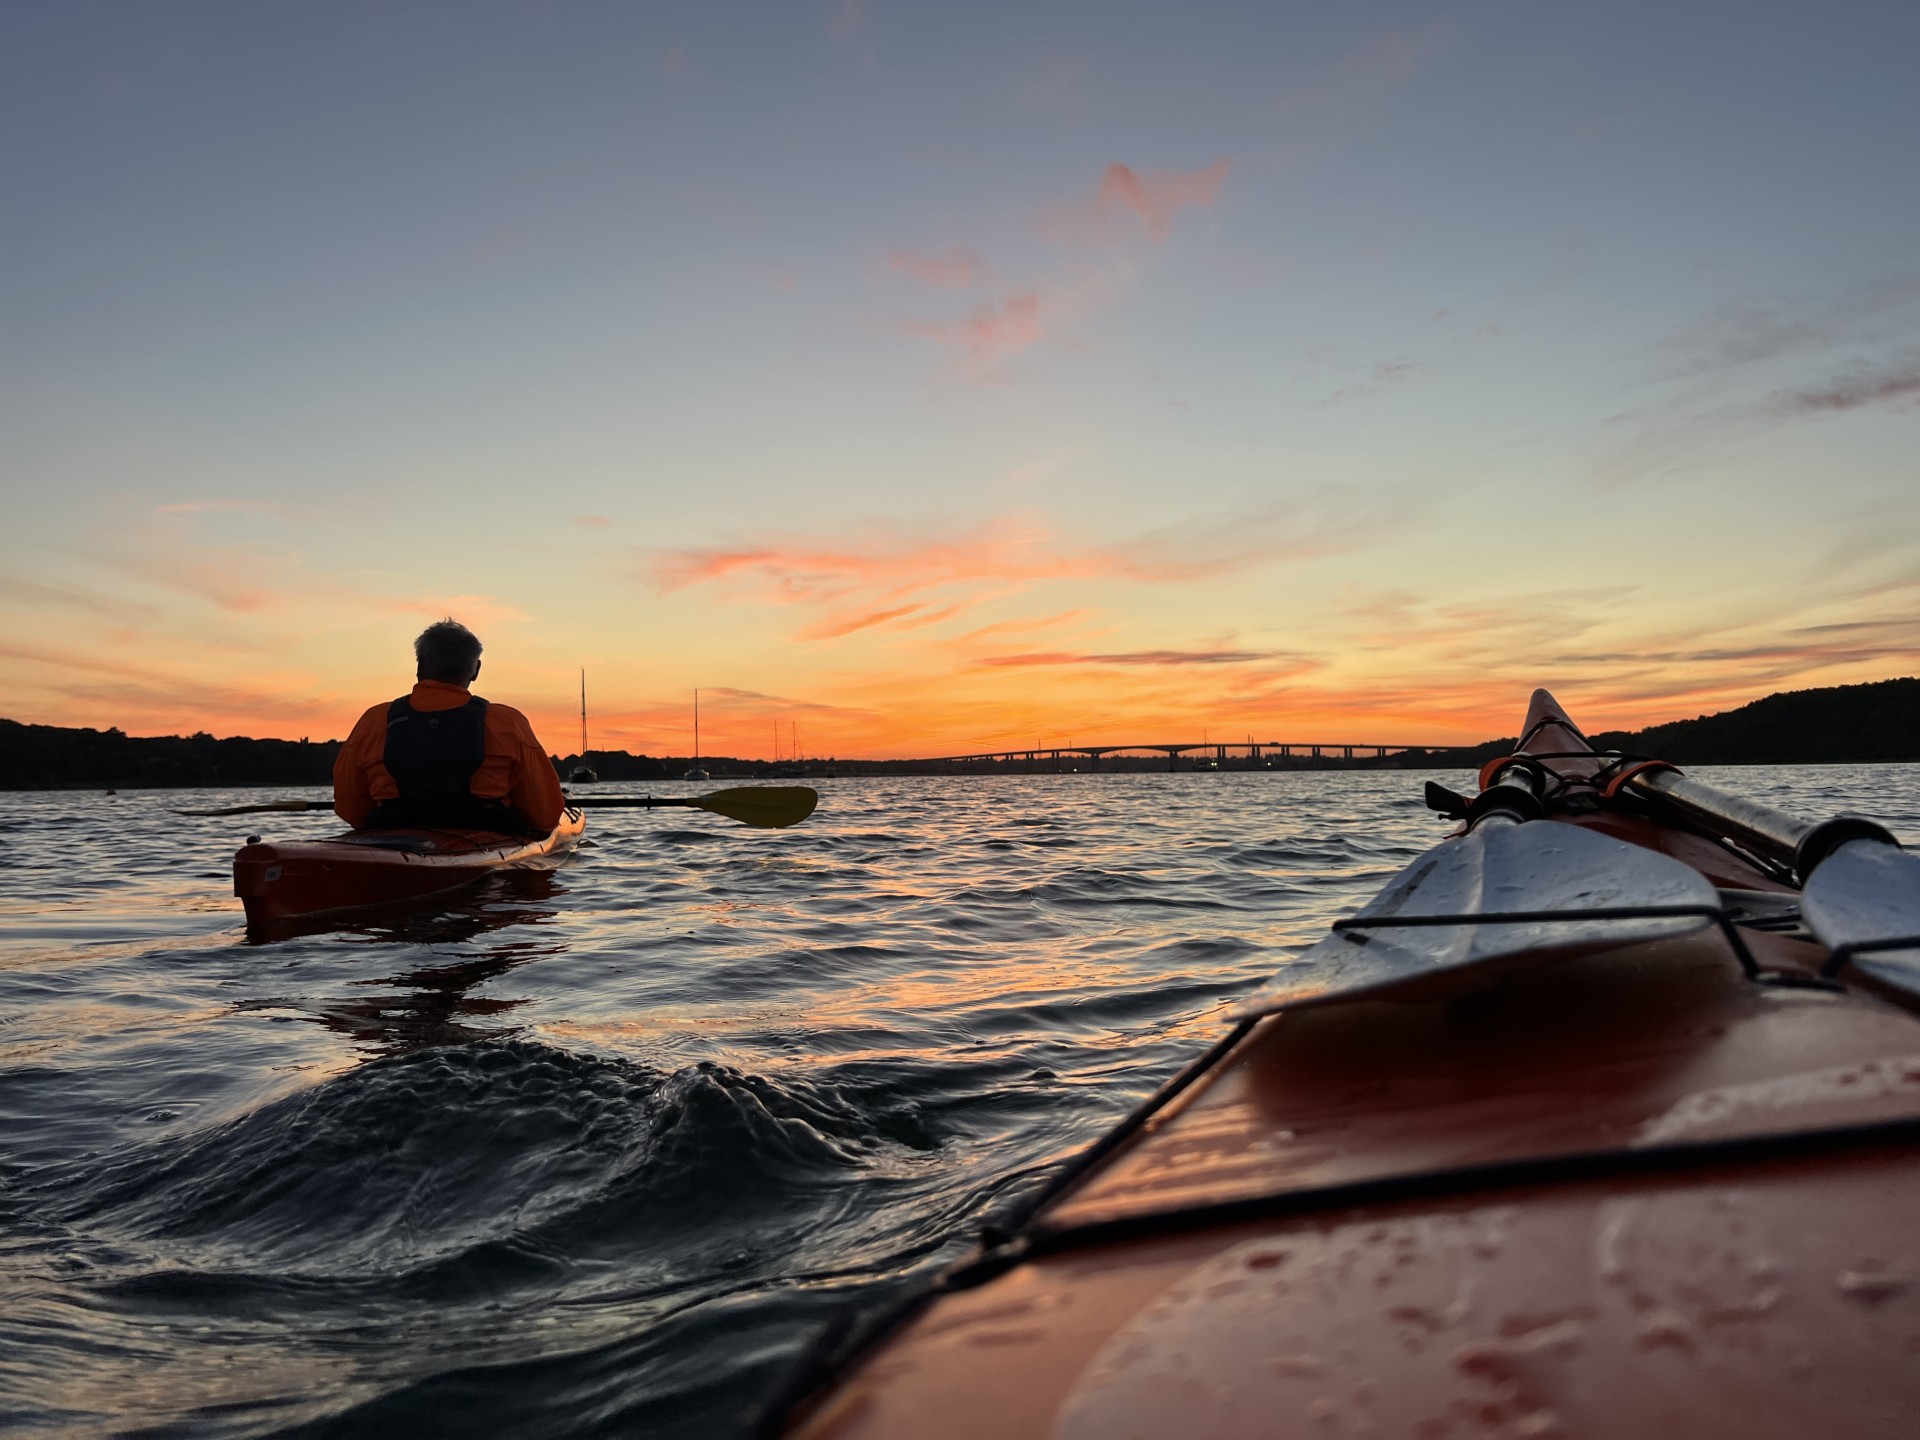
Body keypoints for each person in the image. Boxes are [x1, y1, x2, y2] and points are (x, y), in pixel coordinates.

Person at [333, 619, 566, 835]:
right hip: (486, 833)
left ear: (420, 666)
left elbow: (350, 809)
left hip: (392, 834)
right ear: (476, 670)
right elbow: (544, 816)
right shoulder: (507, 722)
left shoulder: (374, 720)